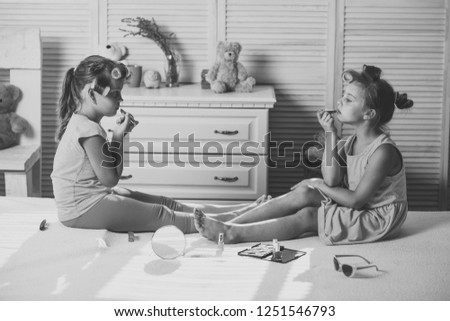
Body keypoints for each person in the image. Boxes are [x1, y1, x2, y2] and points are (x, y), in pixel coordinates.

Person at [194, 64, 414, 245]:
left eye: (348, 100)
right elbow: (332, 180)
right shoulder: (350, 143)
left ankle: (233, 234)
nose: (339, 102)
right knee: (303, 193)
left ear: (369, 114)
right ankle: (233, 222)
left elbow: (356, 201)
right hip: (358, 204)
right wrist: (330, 134)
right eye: (342, 96)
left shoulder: (383, 152)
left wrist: (317, 183)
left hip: (375, 216)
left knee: (309, 216)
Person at [51, 55, 267, 233]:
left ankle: (239, 211)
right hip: (81, 209)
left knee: (166, 202)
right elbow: (110, 178)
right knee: (160, 214)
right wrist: (118, 137)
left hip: (91, 199)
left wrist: (120, 135)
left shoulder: (84, 124)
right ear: (92, 94)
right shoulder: (87, 130)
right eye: (115, 94)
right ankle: (229, 222)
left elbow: (111, 177)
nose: (121, 100)